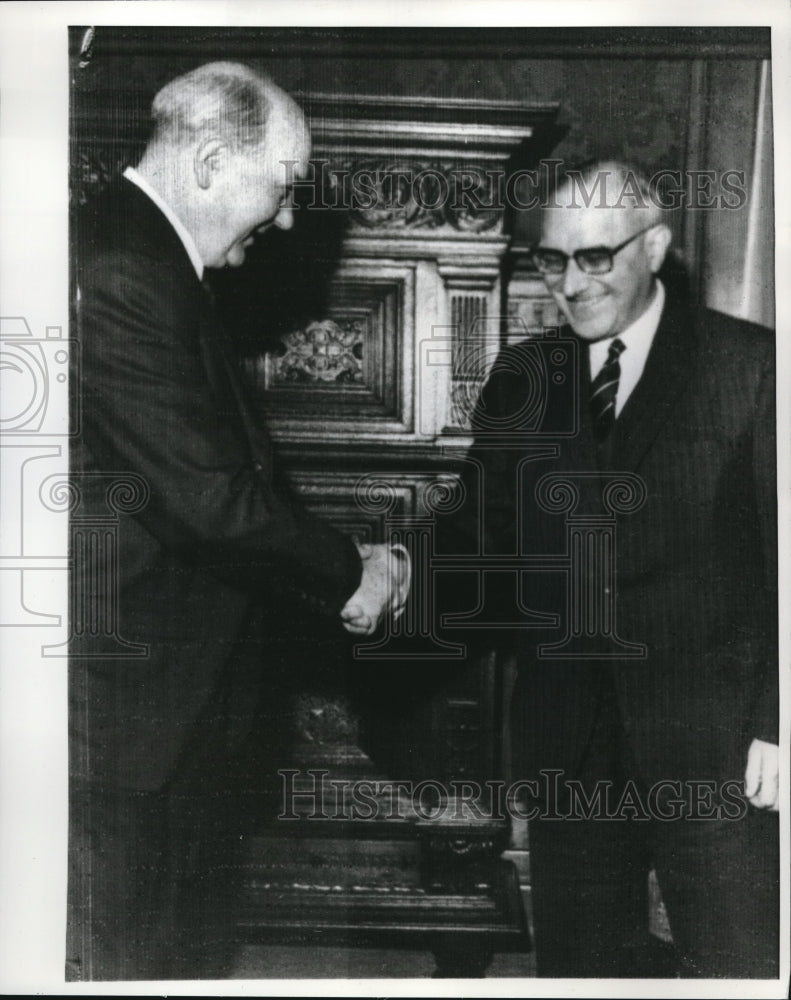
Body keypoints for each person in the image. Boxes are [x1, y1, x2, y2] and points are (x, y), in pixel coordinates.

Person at [68, 61, 405, 980]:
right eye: (285, 189)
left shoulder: (147, 261)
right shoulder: (123, 269)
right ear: (212, 161)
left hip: (160, 717)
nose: (289, 218)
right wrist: (356, 571)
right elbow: (214, 505)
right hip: (125, 724)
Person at [439, 160, 778, 977]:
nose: (570, 282)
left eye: (595, 257)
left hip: (715, 738)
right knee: (580, 967)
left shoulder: (751, 369)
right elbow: (471, 539)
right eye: (551, 260)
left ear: (653, 246)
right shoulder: (523, 378)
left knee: (736, 957)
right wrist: (375, 575)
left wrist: (778, 717)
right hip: (569, 734)